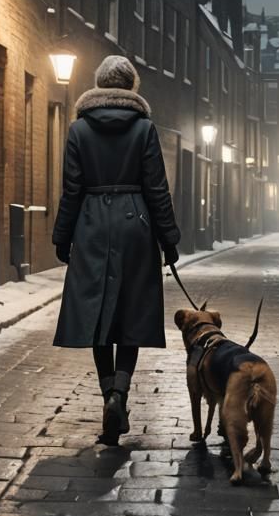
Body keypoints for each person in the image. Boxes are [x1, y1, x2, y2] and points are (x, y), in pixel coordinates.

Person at [51, 54, 182, 446]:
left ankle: (107, 390)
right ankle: (120, 393)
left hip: (91, 225)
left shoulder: (77, 130)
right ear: (130, 87)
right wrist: (168, 239)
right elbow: (157, 188)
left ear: (99, 84)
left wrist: (63, 236)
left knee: (97, 313)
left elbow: (71, 189)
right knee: (131, 315)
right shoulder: (144, 129)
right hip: (135, 226)